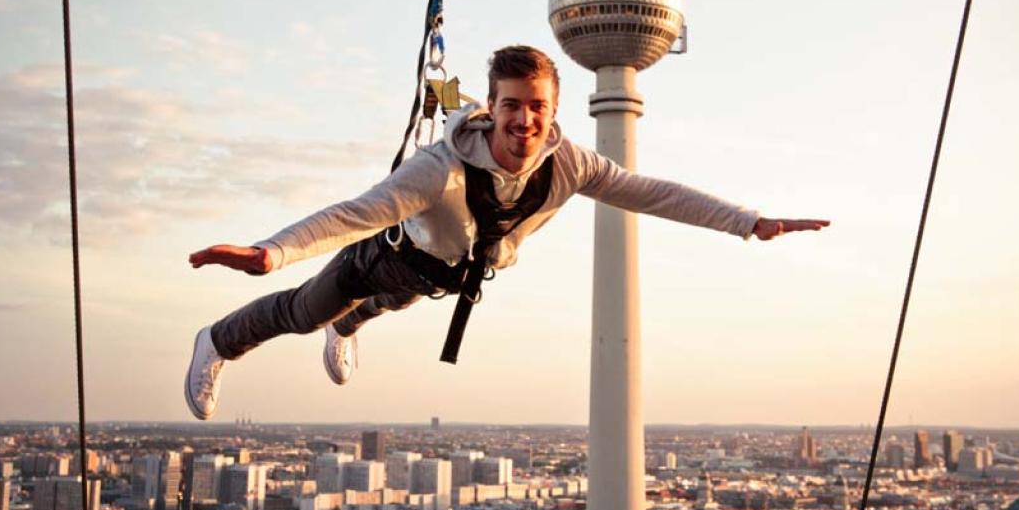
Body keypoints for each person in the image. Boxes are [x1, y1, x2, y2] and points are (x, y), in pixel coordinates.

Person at [184, 45, 829, 420]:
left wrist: (749, 222)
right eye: (512, 105)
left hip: (442, 277)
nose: (524, 120)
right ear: (493, 108)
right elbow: (359, 212)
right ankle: (217, 341)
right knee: (306, 311)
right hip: (384, 258)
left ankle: (345, 329)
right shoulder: (439, 171)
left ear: (553, 110)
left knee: (380, 309)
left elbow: (651, 192)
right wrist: (272, 252)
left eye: (537, 106)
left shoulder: (569, 162)